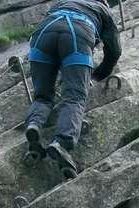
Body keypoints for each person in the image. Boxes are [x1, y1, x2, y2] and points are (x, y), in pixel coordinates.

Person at [24, 0, 122, 177]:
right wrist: (96, 75)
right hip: (77, 34)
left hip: (43, 34)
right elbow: (114, 51)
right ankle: (61, 143)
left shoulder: (63, 2)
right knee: (74, 97)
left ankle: (34, 124)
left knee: (42, 96)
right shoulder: (103, 10)